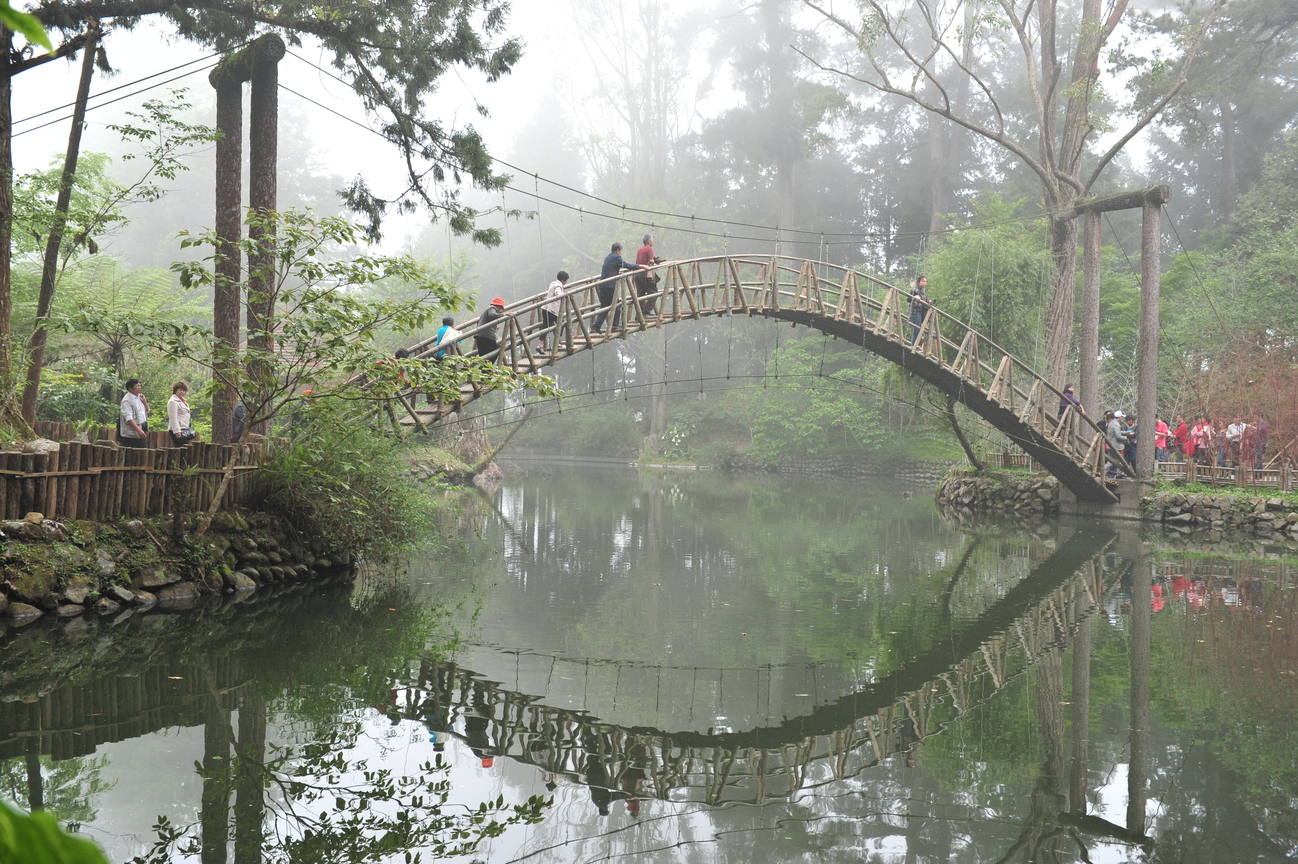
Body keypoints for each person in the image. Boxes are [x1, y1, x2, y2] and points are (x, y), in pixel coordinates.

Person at [592, 242, 645, 334]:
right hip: (610, 286)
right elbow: (627, 265)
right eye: (621, 250)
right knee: (617, 306)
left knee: (604, 307)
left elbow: (609, 269)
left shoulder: (608, 257)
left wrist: (616, 273)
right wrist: (641, 266)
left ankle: (596, 325)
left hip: (603, 285)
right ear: (618, 250)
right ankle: (615, 326)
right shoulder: (616, 257)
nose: (621, 252)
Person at [634, 234, 664, 316]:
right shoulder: (649, 249)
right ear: (649, 241)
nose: (653, 241)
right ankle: (646, 311)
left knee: (641, 294)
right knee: (654, 293)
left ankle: (638, 315)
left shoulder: (640, 249)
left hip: (637, 274)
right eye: (652, 240)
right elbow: (651, 261)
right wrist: (655, 260)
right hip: (644, 274)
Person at [539, 271, 568, 354]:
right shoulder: (559, 286)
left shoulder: (553, 283)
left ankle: (540, 346)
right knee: (561, 324)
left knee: (545, 327)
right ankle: (557, 343)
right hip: (552, 310)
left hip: (545, 308)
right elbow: (558, 294)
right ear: (563, 280)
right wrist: (564, 295)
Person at [118, 378, 149, 449]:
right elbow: (129, 418)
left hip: (141, 428)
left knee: (143, 452)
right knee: (131, 454)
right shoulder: (126, 401)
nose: (139, 388)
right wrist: (138, 430)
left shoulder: (140, 397)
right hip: (131, 434)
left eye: (139, 386)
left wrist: (144, 402)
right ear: (130, 388)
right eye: (137, 386)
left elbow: (147, 410)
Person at [166, 381, 198, 448]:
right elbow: (173, 418)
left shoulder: (183, 401)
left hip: (185, 429)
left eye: (183, 390)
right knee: (179, 449)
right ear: (175, 390)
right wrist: (177, 431)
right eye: (180, 390)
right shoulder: (173, 401)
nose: (182, 392)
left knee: (185, 449)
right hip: (178, 430)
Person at [908, 275, 931, 347]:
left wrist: (929, 301)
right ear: (918, 282)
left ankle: (914, 345)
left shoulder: (923, 292)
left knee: (918, 329)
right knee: (917, 329)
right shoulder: (915, 290)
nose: (924, 283)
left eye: (925, 282)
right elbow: (909, 298)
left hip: (920, 313)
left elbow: (924, 300)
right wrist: (915, 297)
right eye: (923, 281)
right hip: (914, 312)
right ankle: (913, 345)